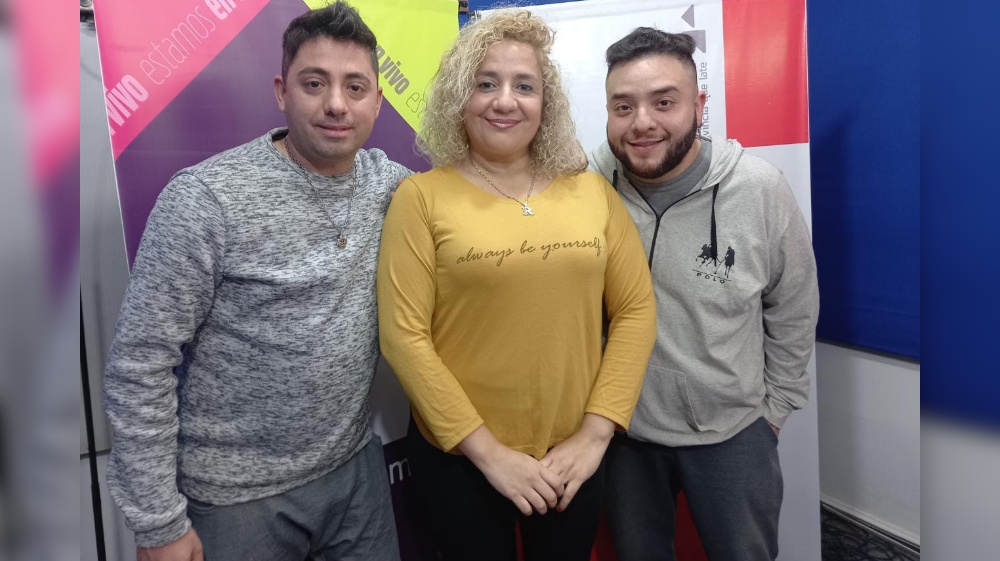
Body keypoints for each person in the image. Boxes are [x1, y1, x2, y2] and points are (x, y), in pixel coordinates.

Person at [102, 3, 410, 561]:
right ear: (281, 92)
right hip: (236, 500)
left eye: (355, 87)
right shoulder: (205, 199)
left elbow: (468, 206)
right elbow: (139, 365)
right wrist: (158, 524)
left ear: (378, 102)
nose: (336, 104)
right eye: (314, 83)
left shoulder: (391, 185)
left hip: (355, 475)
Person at [376, 9, 656, 561]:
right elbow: (403, 337)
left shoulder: (591, 193)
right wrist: (489, 454)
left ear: (545, 102)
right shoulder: (421, 198)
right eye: (486, 84)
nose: (505, 101)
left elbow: (636, 309)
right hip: (461, 462)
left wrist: (595, 434)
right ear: (460, 97)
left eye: (524, 86)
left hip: (571, 460)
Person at [590, 28, 819, 561]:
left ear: (698, 106)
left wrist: (773, 412)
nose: (641, 122)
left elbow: (794, 305)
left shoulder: (759, 189)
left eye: (663, 102)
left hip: (733, 432)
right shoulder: (587, 188)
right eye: (623, 106)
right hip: (622, 432)